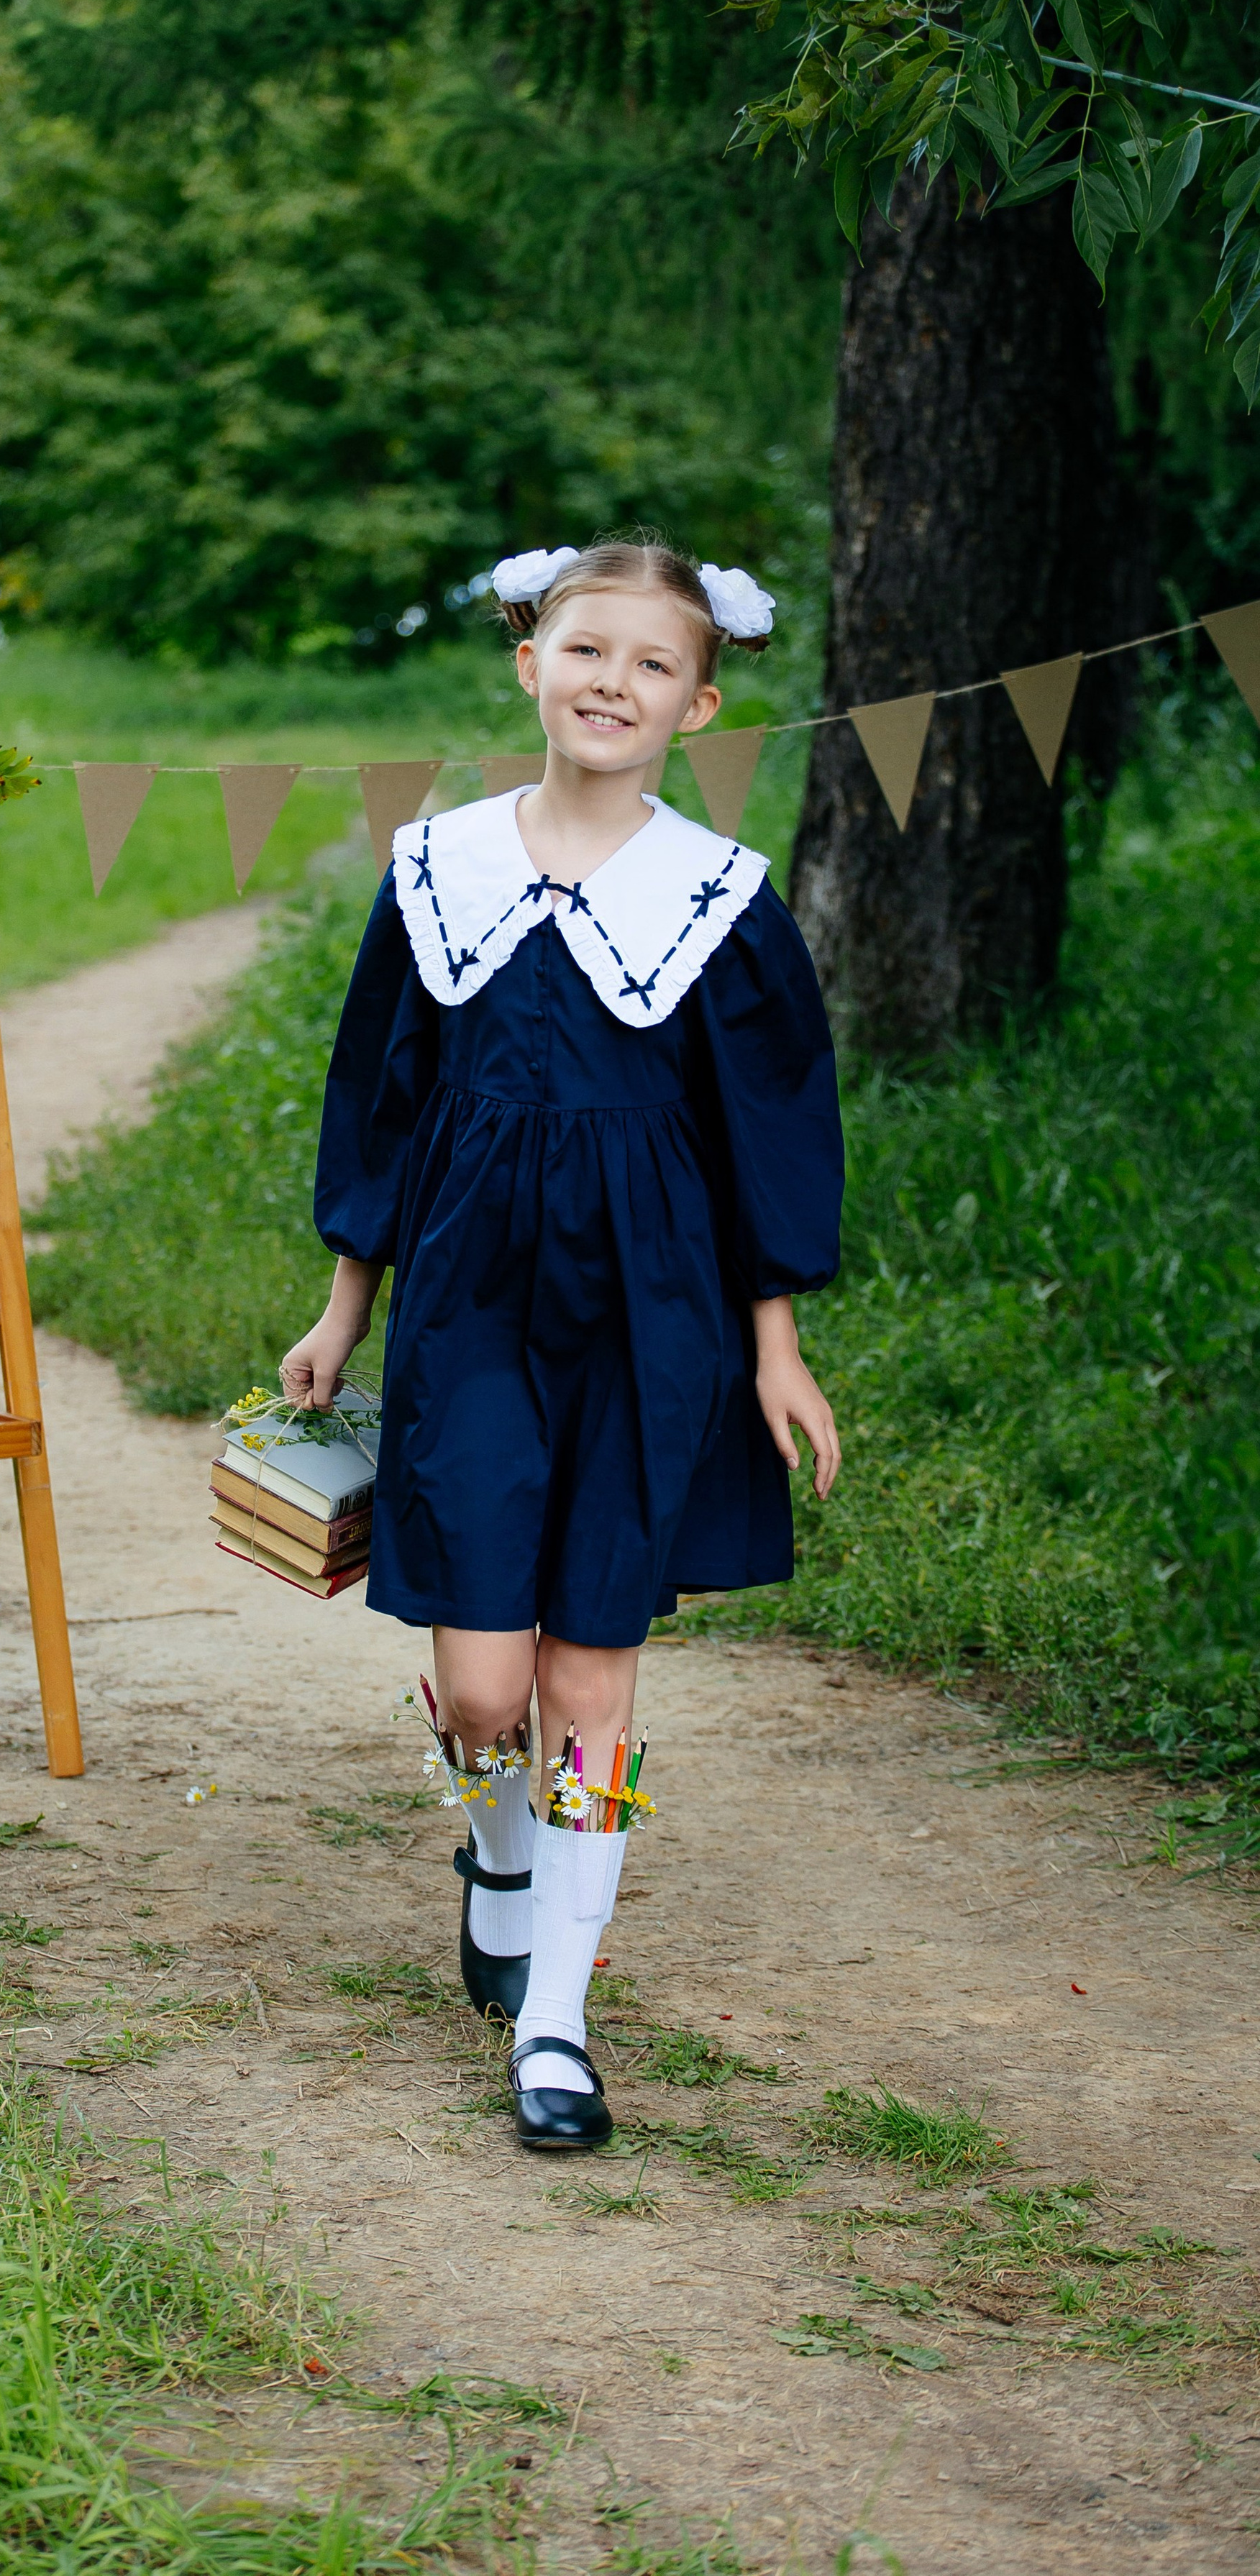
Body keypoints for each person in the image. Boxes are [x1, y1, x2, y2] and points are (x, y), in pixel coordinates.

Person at [280, 536, 844, 2152]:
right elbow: (378, 1101)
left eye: (651, 666)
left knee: (590, 1676)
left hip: (647, 1323)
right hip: (468, 1309)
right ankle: (498, 1849)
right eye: (586, 651)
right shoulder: (435, 868)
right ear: (527, 661)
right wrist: (342, 1312)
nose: (614, 683)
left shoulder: (719, 903)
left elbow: (767, 1141)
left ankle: (556, 2021)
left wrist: (773, 1346)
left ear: (700, 703)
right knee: (476, 1686)